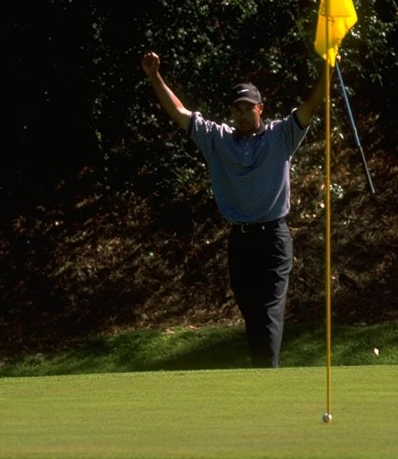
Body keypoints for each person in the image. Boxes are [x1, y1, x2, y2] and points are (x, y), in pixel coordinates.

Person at [140, 51, 329, 368]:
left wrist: (328, 71)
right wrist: (154, 77)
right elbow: (179, 111)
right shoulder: (217, 139)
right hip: (240, 240)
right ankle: (262, 374)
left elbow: (310, 106)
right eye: (237, 109)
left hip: (273, 238)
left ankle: (267, 375)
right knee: (251, 309)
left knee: (268, 308)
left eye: (248, 108)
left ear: (260, 109)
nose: (242, 115)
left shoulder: (282, 135)